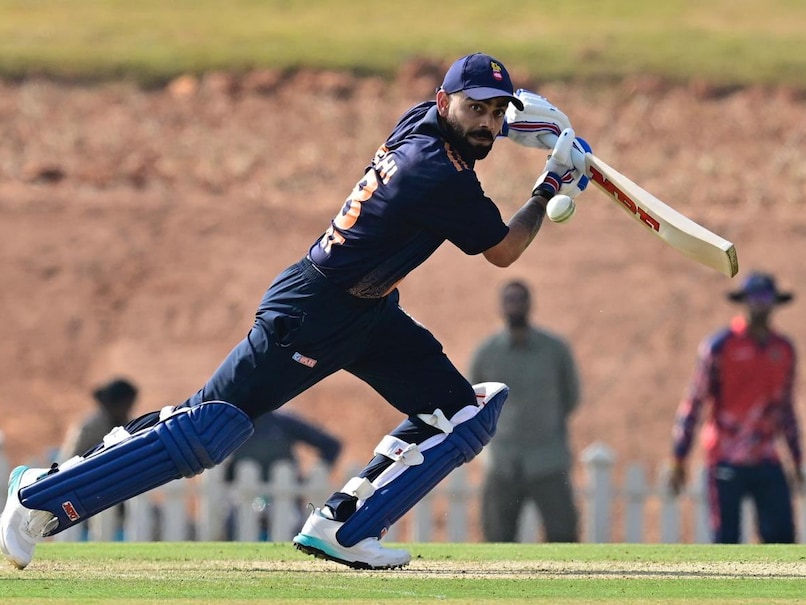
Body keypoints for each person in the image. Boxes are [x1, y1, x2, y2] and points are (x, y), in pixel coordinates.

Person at [0, 52, 592, 570]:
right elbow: (503, 250)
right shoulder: (435, 174)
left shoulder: (420, 121)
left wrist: (528, 125)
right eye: (475, 109)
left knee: (460, 413)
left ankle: (344, 528)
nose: (487, 122)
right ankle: (37, 494)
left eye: (497, 112)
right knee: (209, 429)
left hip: (370, 316)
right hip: (312, 311)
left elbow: (477, 125)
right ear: (445, 102)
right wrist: (551, 183)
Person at [668, 271, 803, 544]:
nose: (760, 305)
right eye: (755, 298)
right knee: (726, 540)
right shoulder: (720, 347)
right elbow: (695, 401)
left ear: (774, 302)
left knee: (782, 539)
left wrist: (797, 458)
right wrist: (679, 457)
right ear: (744, 301)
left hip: (767, 455)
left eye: (765, 298)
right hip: (725, 456)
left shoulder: (783, 350)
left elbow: (786, 410)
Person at [469, 280, 581, 542]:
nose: (515, 305)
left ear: (530, 304)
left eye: (520, 299)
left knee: (563, 536)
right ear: (501, 306)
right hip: (502, 461)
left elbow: (571, 398)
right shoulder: (486, 353)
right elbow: (473, 403)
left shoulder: (554, 350)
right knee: (497, 539)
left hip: (548, 458)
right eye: (509, 300)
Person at [223, 411, 342, 539]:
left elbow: (331, 445)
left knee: (290, 524)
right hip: (243, 502)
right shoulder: (232, 426)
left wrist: (308, 481)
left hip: (286, 501)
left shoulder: (283, 423)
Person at [58, 378, 138, 540]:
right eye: (127, 404)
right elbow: (69, 461)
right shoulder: (90, 427)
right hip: (86, 489)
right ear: (116, 403)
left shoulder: (125, 423)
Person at [60, 378, 139, 461]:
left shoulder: (129, 423)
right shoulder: (89, 429)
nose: (128, 409)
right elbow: (71, 460)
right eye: (126, 405)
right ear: (114, 404)